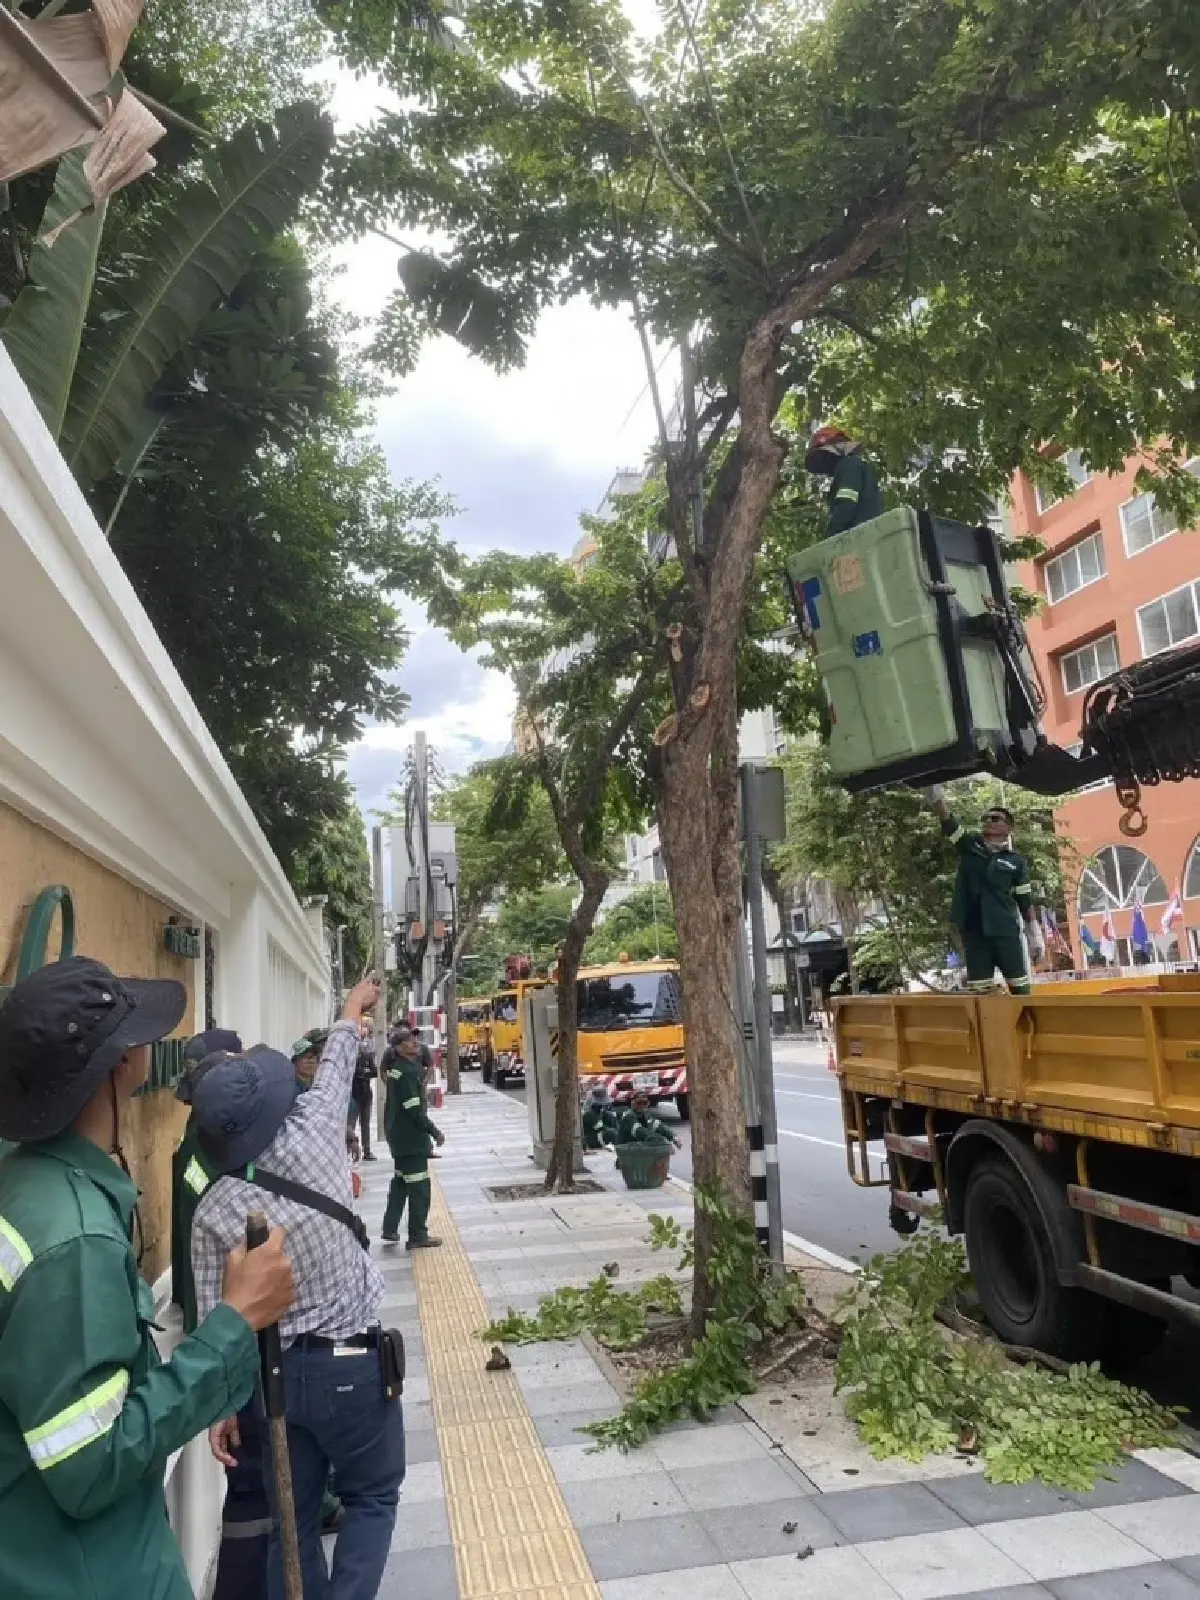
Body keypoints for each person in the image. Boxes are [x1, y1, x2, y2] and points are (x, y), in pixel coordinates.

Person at [0, 956, 294, 1600]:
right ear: (121, 1065)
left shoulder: (21, 1183)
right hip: (88, 1574)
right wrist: (236, 1321)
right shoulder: (72, 1240)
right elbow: (89, 1463)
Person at [190, 977, 399, 1600]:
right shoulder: (314, 1132)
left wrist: (224, 1408)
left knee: (293, 1520)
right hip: (356, 1370)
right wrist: (350, 1010)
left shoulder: (213, 1209)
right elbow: (336, 1062)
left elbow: (216, 1319)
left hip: (276, 1381)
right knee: (373, 1495)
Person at [927, 785, 1045, 995]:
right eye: (986, 818)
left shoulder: (1016, 862)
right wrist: (936, 797)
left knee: (1020, 989)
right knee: (981, 994)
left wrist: (1034, 933)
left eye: (995, 818)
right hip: (975, 934)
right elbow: (949, 823)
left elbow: (1024, 900)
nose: (989, 821)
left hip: (1005, 932)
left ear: (1009, 828)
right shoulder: (969, 845)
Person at [381, 1027, 445, 1248]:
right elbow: (415, 1111)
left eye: (414, 1039)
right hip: (411, 1140)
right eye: (409, 1040)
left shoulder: (398, 1070)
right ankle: (418, 1235)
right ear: (399, 1048)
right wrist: (434, 1131)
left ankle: (389, 1228)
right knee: (419, 1187)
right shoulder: (407, 1073)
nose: (415, 1043)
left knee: (400, 1182)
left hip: (398, 1138)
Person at [804, 424, 883, 539]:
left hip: (861, 537)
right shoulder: (852, 467)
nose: (823, 463)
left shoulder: (849, 464)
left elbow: (846, 505)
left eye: (823, 456)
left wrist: (829, 540)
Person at [615, 1091, 681, 1149]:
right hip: (626, 1150)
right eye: (639, 1103)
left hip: (638, 1148)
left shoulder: (646, 1114)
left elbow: (658, 1126)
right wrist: (661, 1140)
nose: (642, 1105)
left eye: (645, 1103)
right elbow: (640, 1131)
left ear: (648, 1104)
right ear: (633, 1104)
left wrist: (673, 1137)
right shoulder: (628, 1115)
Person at [351, 1019, 377, 1160]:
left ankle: (367, 1151)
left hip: (366, 1093)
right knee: (351, 1124)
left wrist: (364, 1072)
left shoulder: (367, 1057)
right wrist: (361, 1072)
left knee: (365, 1124)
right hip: (353, 1094)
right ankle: (350, 1149)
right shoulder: (350, 1058)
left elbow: (374, 1072)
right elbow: (351, 1073)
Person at [581, 1083, 619, 1150]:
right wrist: (615, 1131)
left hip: (597, 1134)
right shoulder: (589, 1113)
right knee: (612, 1133)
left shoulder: (599, 1111)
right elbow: (601, 1127)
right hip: (591, 1139)